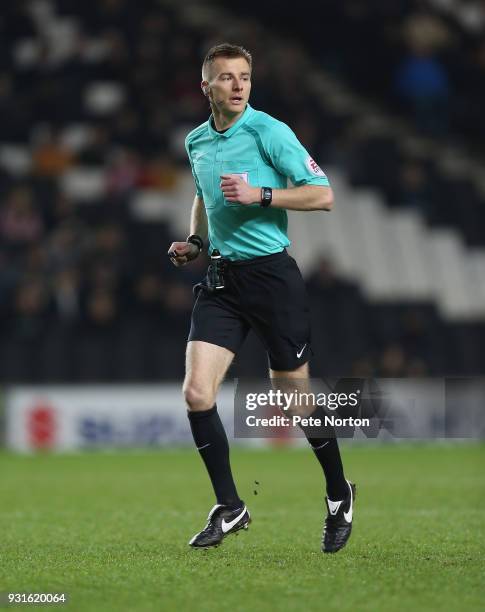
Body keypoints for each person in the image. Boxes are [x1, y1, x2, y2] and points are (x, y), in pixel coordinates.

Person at [168, 43, 355, 553]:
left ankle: (339, 495)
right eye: (225, 77)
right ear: (205, 86)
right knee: (196, 393)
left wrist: (263, 195)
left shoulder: (269, 131)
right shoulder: (197, 141)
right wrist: (197, 243)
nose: (237, 84)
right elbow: (203, 197)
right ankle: (231, 507)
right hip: (223, 283)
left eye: (244, 76)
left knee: (295, 402)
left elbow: (323, 194)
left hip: (272, 279)